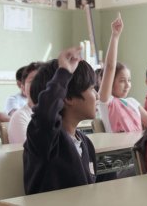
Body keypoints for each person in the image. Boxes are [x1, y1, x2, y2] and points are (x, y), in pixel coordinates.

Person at [23, 46, 98, 195]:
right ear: (68, 98)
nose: (98, 95)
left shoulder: (84, 142)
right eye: (91, 88)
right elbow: (44, 115)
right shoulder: (44, 139)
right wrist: (64, 74)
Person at [98, 13, 147, 133]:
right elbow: (110, 67)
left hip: (138, 149)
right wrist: (115, 36)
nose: (127, 85)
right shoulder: (106, 102)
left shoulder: (133, 102)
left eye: (129, 80)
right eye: (122, 81)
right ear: (110, 82)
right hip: (121, 151)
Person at [7, 62, 42, 144]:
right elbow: (30, 153)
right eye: (32, 81)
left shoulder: (58, 113)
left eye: (43, 80)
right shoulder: (20, 116)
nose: (38, 84)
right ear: (23, 88)